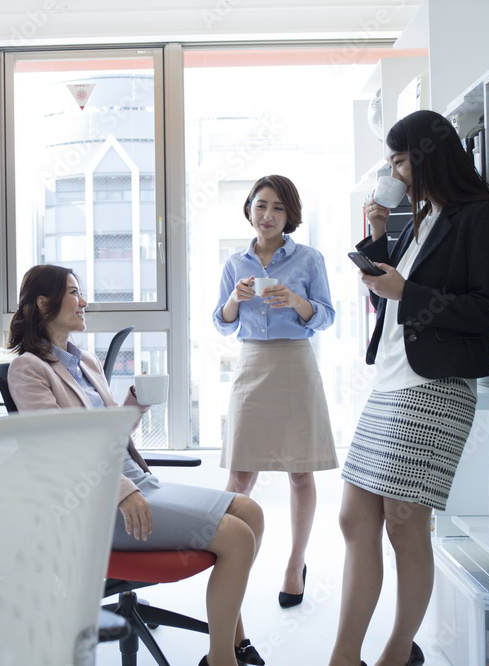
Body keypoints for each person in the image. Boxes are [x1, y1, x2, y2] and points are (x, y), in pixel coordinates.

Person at [7, 264, 266, 666]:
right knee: (236, 537)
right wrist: (122, 491)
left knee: (250, 512)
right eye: (73, 292)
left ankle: (233, 642)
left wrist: (135, 403)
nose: (83, 301)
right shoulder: (29, 369)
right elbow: (59, 449)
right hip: (92, 502)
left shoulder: (85, 360)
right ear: (44, 304)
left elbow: (107, 436)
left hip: (130, 480)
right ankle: (221, 661)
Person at [329, 110, 489, 666]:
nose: (396, 172)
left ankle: (393, 654)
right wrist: (381, 240)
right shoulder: (421, 218)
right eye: (392, 162)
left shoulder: (476, 215)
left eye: (401, 161)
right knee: (355, 518)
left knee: (407, 526)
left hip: (433, 388)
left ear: (428, 157)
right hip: (389, 383)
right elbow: (395, 294)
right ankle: (347, 655)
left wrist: (407, 288)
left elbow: (488, 310)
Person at [212, 174, 338, 609]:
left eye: (277, 208)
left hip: (295, 364)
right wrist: (234, 298)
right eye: (261, 205)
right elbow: (221, 321)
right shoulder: (235, 263)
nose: (267, 215)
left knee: (300, 472)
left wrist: (297, 303)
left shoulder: (309, 259)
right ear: (249, 208)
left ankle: (294, 563)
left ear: (290, 215)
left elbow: (325, 317)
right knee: (240, 475)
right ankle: (227, 556)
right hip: (251, 365)